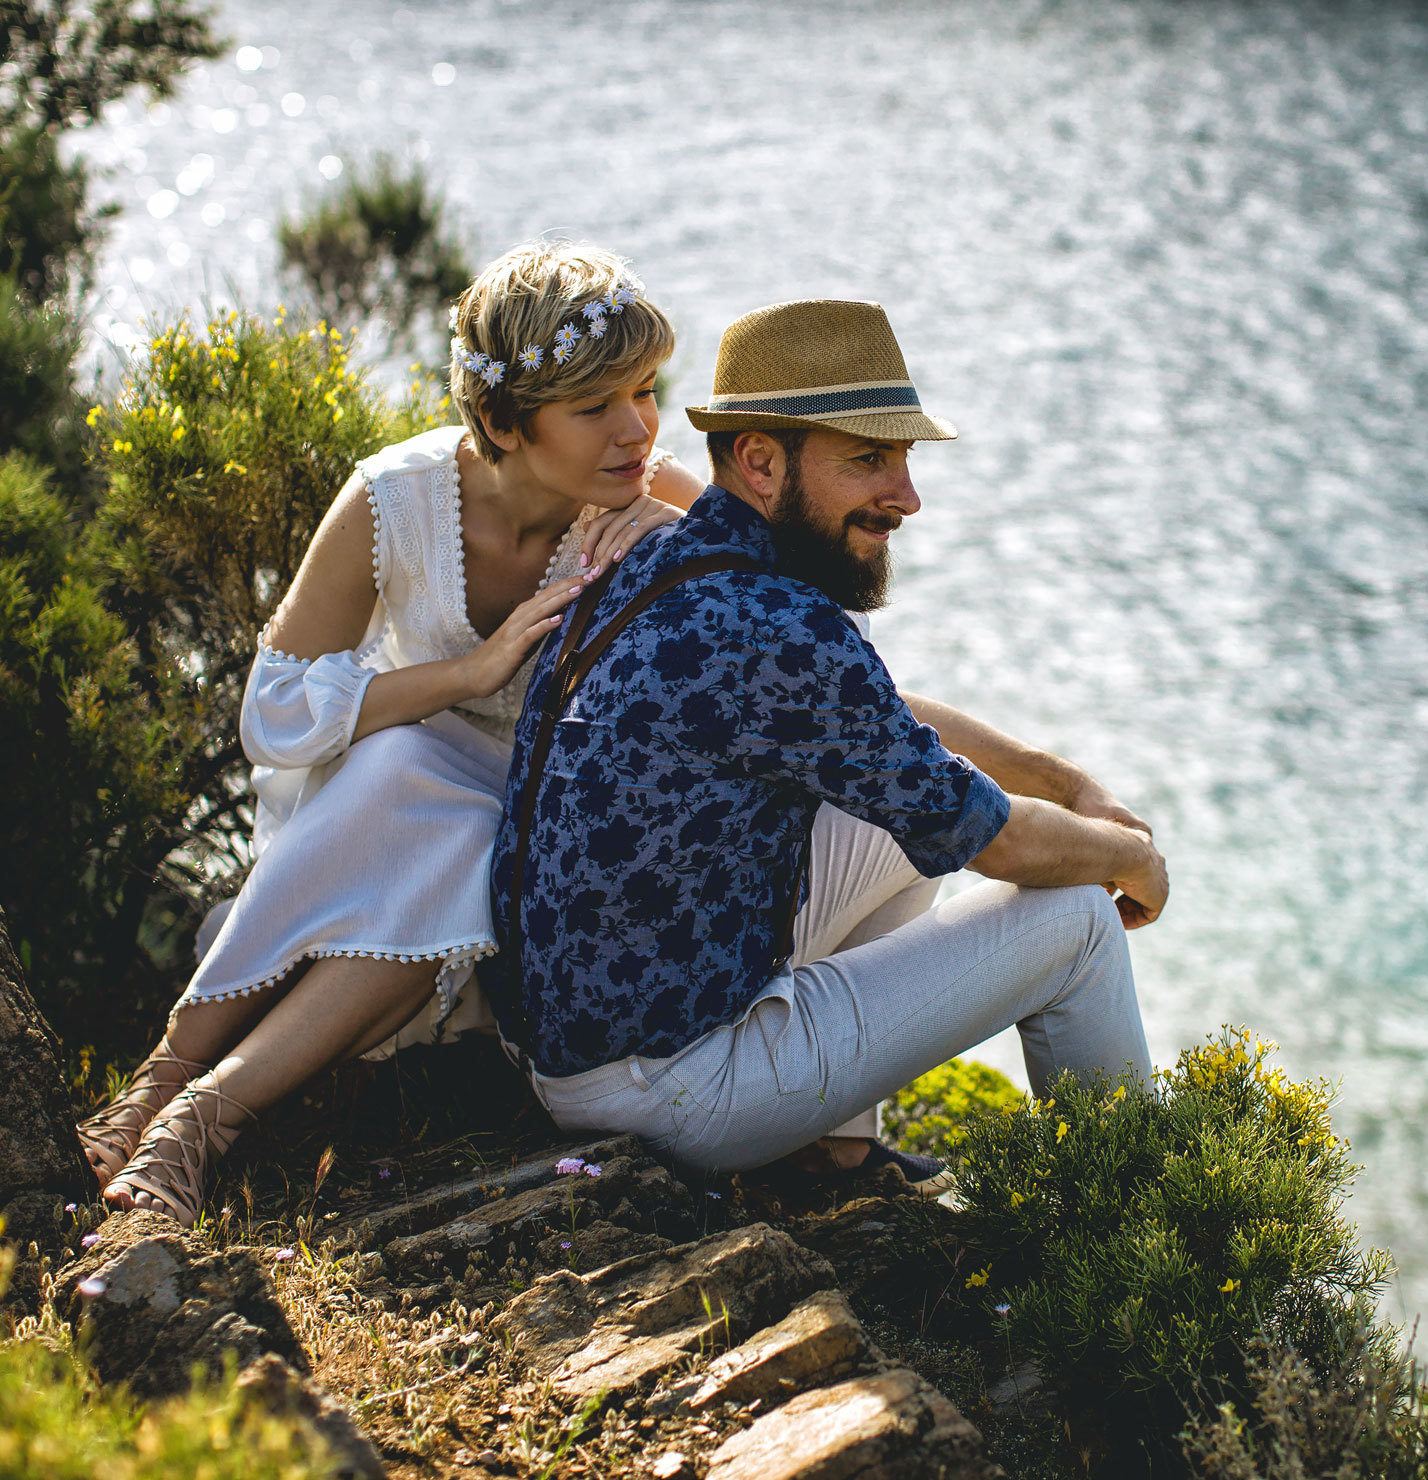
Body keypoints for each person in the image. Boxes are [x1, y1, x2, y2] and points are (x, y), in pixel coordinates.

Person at [84, 242, 706, 1222]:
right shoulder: (397, 498)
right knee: (416, 767)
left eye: (645, 390)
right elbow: (276, 711)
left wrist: (695, 542)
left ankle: (196, 1112)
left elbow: (809, 642)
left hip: (542, 841)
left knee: (468, 835)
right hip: (373, 807)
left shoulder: (655, 501)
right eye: (596, 407)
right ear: (502, 418)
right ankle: (171, 1091)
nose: (638, 429)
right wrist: (473, 671)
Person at [488, 299, 1169, 1180]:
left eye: (904, 458)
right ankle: (1144, 1233)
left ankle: (835, 1158)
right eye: (867, 460)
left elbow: (875, 719)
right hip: (667, 1091)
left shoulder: (661, 561)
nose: (906, 497)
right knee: (1075, 915)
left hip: (563, 1050)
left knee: (899, 808)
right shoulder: (779, 624)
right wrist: (1126, 856)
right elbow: (995, 841)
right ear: (761, 461)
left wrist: (1063, 783)